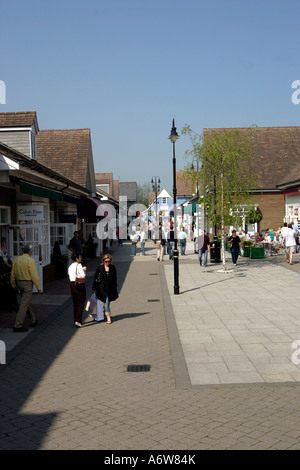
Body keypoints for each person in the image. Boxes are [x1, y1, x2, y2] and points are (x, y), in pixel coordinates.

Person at [10, 244, 41, 332]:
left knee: (24, 303)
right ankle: (18, 325)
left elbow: (13, 274)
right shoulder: (30, 261)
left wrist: (13, 284)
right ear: (30, 252)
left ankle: (33, 320)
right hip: (27, 284)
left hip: (18, 283)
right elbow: (34, 275)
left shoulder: (16, 260)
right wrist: (38, 287)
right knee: (24, 305)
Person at [92, 254, 118, 324]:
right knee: (106, 301)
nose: (107, 263)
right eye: (106, 261)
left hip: (110, 287)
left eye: (109, 261)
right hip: (102, 288)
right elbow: (96, 278)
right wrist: (94, 288)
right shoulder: (100, 268)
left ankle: (104, 312)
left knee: (108, 301)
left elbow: (115, 278)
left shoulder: (112, 268)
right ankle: (108, 316)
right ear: (103, 261)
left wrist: (115, 286)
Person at [68, 252, 87, 327]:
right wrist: (84, 270)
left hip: (72, 284)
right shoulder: (79, 265)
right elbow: (83, 276)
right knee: (81, 303)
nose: (81, 258)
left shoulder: (70, 266)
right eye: (80, 257)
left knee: (75, 303)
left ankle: (75, 319)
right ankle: (78, 320)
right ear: (77, 258)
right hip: (79, 284)